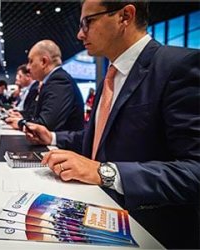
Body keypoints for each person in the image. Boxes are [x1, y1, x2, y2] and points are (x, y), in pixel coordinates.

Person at [25, 1, 200, 248]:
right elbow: (99, 140)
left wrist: (104, 172)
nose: (79, 34)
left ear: (125, 16)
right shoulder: (112, 74)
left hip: (146, 231)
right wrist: (51, 138)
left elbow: (194, 171)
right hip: (98, 215)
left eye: (88, 22)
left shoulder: (176, 67)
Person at [19, 40, 84, 132]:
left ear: (44, 62)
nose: (28, 67)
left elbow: (46, 125)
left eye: (31, 61)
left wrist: (20, 123)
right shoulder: (53, 80)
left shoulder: (59, 81)